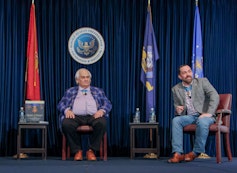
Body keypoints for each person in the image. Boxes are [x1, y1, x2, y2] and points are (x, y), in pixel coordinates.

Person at [167, 64, 219, 163]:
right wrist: (178, 110)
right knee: (176, 120)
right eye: (184, 72)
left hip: (205, 115)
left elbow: (215, 96)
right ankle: (177, 153)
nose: (188, 74)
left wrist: (209, 113)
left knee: (202, 121)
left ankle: (195, 152)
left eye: (189, 71)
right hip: (190, 116)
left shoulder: (202, 82)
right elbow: (177, 106)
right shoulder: (176, 89)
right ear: (180, 76)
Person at [57, 68, 112, 161]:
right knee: (66, 124)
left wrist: (102, 111)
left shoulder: (98, 91)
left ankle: (91, 151)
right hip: (75, 116)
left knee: (102, 123)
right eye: (83, 77)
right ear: (77, 80)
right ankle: (77, 151)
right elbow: (61, 104)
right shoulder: (70, 91)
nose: (86, 79)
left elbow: (107, 103)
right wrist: (67, 110)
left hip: (93, 116)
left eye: (88, 77)